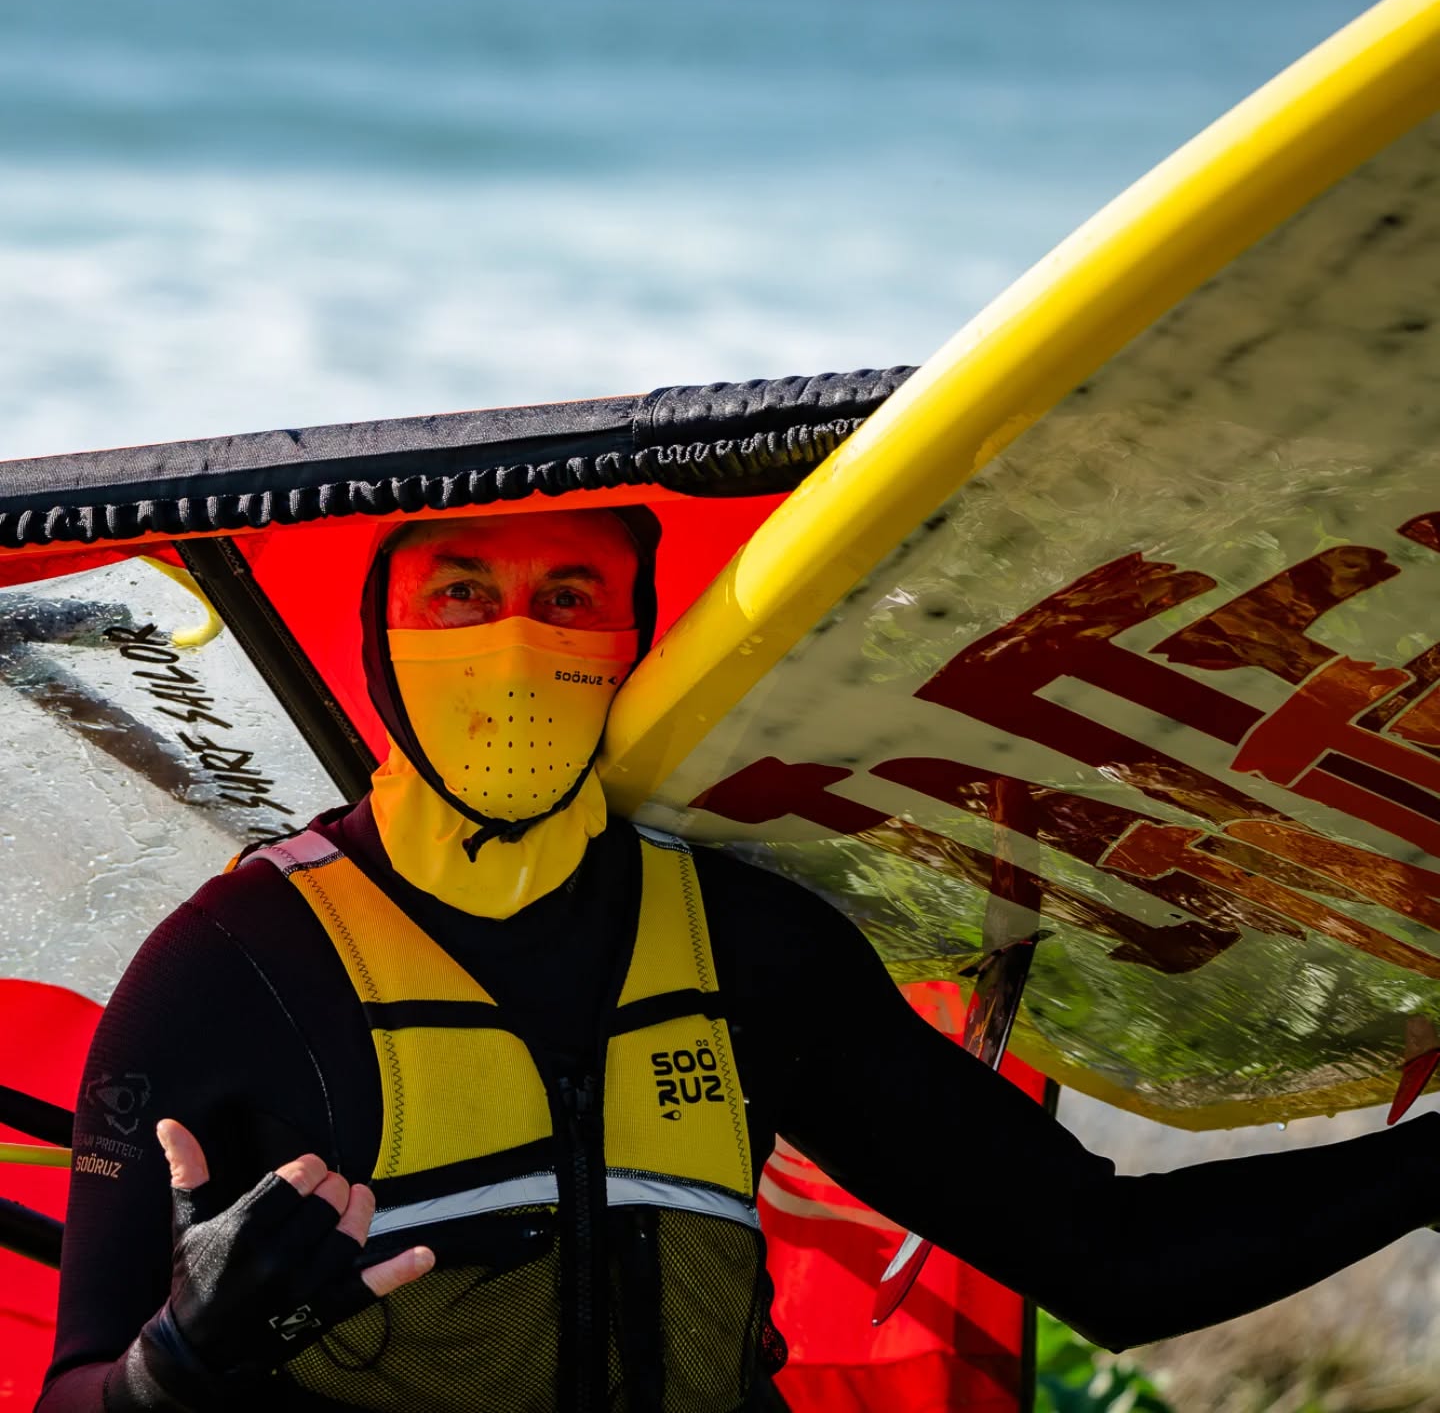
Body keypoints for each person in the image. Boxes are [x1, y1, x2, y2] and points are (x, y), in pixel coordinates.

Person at [37, 506, 1440, 1413]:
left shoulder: (748, 945)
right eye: (462, 592)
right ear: (381, 637)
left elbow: (1116, 1261)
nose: (519, 647)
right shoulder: (231, 966)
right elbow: (73, 1392)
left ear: (640, 634)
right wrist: (183, 1360)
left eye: (573, 593)